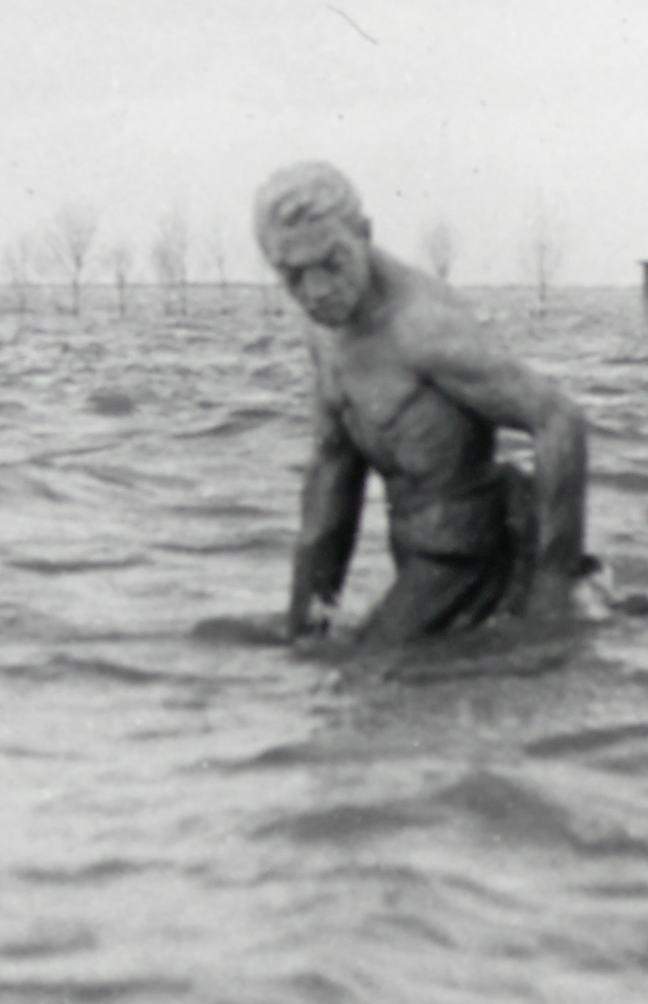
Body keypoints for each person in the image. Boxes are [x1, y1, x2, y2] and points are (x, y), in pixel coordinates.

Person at [253, 161, 594, 648]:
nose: (317, 290)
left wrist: (551, 590)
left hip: (475, 558)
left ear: (363, 234)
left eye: (332, 263)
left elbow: (559, 419)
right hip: (421, 563)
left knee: (369, 670)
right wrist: (305, 625)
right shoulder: (326, 329)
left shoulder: (423, 327)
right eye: (293, 275)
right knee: (306, 658)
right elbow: (333, 472)